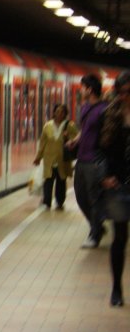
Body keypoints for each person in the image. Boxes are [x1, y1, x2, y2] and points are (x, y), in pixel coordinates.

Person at [98, 70, 130, 306]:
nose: (126, 97)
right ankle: (116, 289)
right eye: (123, 93)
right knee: (119, 237)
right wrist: (105, 175)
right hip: (118, 184)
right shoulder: (110, 115)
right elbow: (101, 150)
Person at [70, 74, 109, 248]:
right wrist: (76, 140)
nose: (81, 90)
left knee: (94, 198)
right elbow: (84, 130)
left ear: (90, 89)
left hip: (94, 160)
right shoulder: (85, 107)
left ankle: (95, 234)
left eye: (83, 87)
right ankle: (97, 225)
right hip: (81, 158)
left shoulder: (104, 110)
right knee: (80, 196)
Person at [33, 103, 77, 210]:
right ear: (53, 113)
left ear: (65, 114)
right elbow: (42, 143)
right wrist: (38, 157)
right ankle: (46, 201)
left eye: (62, 112)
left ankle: (60, 201)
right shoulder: (47, 126)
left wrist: (68, 137)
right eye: (57, 112)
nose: (59, 114)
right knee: (48, 181)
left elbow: (76, 139)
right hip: (49, 159)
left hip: (63, 159)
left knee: (61, 181)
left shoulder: (70, 126)